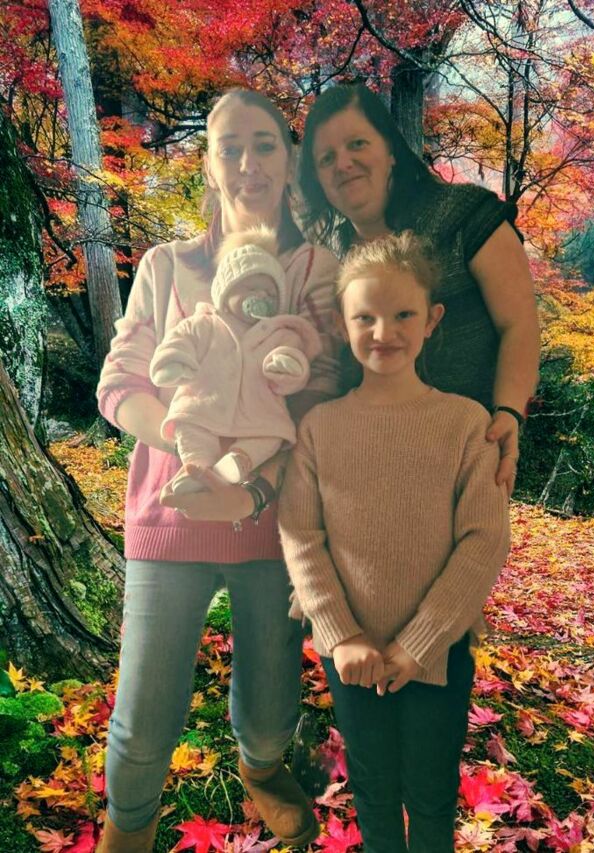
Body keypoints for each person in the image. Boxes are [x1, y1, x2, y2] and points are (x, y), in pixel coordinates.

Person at [95, 88, 340, 853]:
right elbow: (120, 384)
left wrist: (251, 488)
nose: (247, 163)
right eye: (229, 146)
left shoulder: (315, 270)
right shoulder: (166, 267)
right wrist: (186, 442)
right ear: (207, 163)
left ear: (289, 160)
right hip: (170, 516)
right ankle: (128, 828)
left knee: (269, 709)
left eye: (264, 144)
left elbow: (325, 397)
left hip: (275, 522)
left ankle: (260, 767)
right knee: (143, 717)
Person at [278, 231, 512, 852]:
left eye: (404, 314)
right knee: (374, 790)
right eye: (366, 317)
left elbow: (484, 539)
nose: (384, 331)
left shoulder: (464, 424)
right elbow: (300, 533)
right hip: (350, 653)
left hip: (439, 652)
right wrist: (341, 634)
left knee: (432, 794)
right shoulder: (320, 428)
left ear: (432, 320)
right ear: (342, 323)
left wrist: (420, 643)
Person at [298, 83, 540, 495]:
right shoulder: (326, 262)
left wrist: (508, 412)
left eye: (357, 144)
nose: (343, 164)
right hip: (368, 474)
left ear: (391, 150)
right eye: (327, 158)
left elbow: (519, 323)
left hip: (465, 462)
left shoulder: (466, 215)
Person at [149, 226, 323, 493]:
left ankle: (239, 461)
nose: (262, 296)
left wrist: (287, 366)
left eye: (271, 294)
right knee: (189, 427)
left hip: (260, 413)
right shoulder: (204, 324)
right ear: (225, 291)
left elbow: (295, 362)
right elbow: (179, 342)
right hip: (204, 404)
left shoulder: (279, 332)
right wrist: (173, 363)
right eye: (252, 288)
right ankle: (196, 467)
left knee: (272, 437)